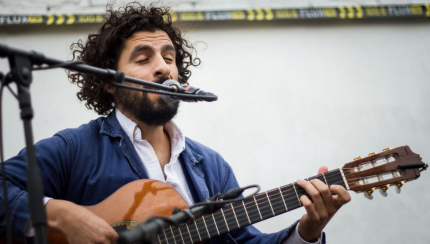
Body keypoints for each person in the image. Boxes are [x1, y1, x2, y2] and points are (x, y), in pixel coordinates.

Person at [0, 2, 351, 244]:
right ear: (109, 81)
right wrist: (57, 214)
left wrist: (307, 231)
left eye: (169, 58)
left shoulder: (210, 166)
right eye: (143, 57)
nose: (163, 67)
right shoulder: (74, 150)